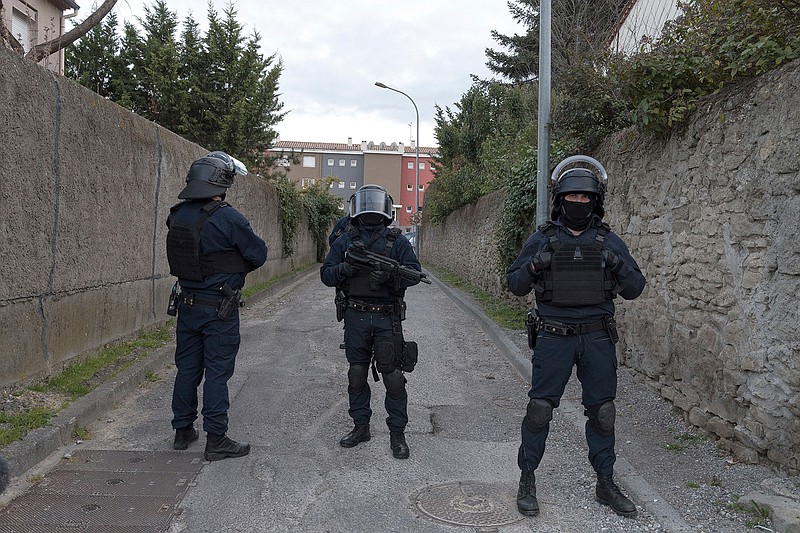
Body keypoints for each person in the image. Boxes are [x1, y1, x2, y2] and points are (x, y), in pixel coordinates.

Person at [506, 166, 646, 518]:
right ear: (560, 200)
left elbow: (635, 288)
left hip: (597, 336)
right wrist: (536, 265)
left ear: (595, 202)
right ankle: (527, 478)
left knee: (603, 413)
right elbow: (516, 284)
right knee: (539, 410)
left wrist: (616, 263)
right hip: (554, 336)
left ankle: (605, 482)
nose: (579, 202)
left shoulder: (607, 240)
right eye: (573, 196)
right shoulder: (543, 238)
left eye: (586, 197)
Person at [166, 151, 267, 461]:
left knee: (187, 369)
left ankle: (183, 430)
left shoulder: (176, 215)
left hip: (187, 305)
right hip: (219, 309)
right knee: (217, 374)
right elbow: (258, 254)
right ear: (221, 181)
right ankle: (216, 439)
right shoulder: (229, 217)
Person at [320, 184, 422, 459]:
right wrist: (344, 269)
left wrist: (391, 278)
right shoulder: (345, 239)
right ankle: (360, 426)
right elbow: (326, 274)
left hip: (387, 317)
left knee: (393, 378)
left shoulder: (396, 241)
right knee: (356, 374)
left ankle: (397, 433)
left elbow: (414, 273)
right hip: (355, 315)